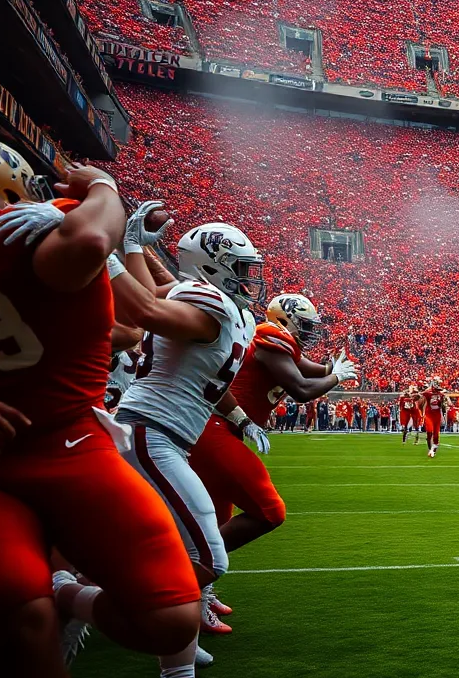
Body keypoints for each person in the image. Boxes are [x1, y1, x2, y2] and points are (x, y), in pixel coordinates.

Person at [0, 157, 200, 676]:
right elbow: (94, 250)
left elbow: (127, 328)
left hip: (68, 443)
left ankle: (68, 595)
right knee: (24, 614)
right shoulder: (50, 231)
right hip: (61, 442)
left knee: (171, 618)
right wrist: (104, 189)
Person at [112, 219, 264, 660]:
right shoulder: (210, 303)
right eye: (239, 267)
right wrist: (117, 252)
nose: (248, 278)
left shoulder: (219, 305)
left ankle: (178, 643)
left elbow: (165, 289)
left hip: (165, 434)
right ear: (214, 267)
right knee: (211, 559)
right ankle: (114, 603)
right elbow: (147, 310)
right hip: (151, 430)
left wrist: (136, 249)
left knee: (174, 544)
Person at [188, 293, 355, 616]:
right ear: (284, 320)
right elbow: (302, 389)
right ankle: (183, 578)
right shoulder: (269, 336)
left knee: (217, 522)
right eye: (304, 325)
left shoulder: (281, 344)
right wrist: (337, 376)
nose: (309, 332)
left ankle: (197, 594)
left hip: (225, 430)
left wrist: (334, 365)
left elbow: (312, 370)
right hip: (216, 428)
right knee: (269, 511)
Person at [419, 377, 448, 457]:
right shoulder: (428, 393)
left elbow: (443, 405)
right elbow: (422, 394)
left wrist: (443, 403)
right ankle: (430, 448)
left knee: (436, 435)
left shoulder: (441, 394)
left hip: (437, 415)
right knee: (429, 431)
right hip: (429, 414)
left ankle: (432, 451)